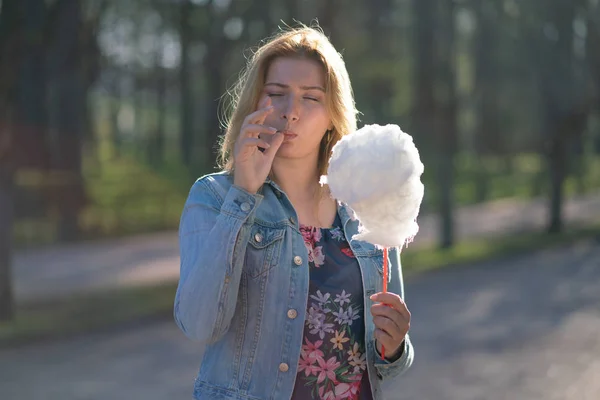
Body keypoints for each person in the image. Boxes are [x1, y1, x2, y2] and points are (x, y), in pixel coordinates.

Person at [174, 23, 414, 400]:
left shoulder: (367, 203)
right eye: (277, 93)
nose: (291, 112)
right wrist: (244, 194)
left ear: (333, 113)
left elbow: (386, 359)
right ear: (256, 102)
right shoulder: (215, 197)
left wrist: (396, 345)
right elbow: (199, 325)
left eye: (311, 98)